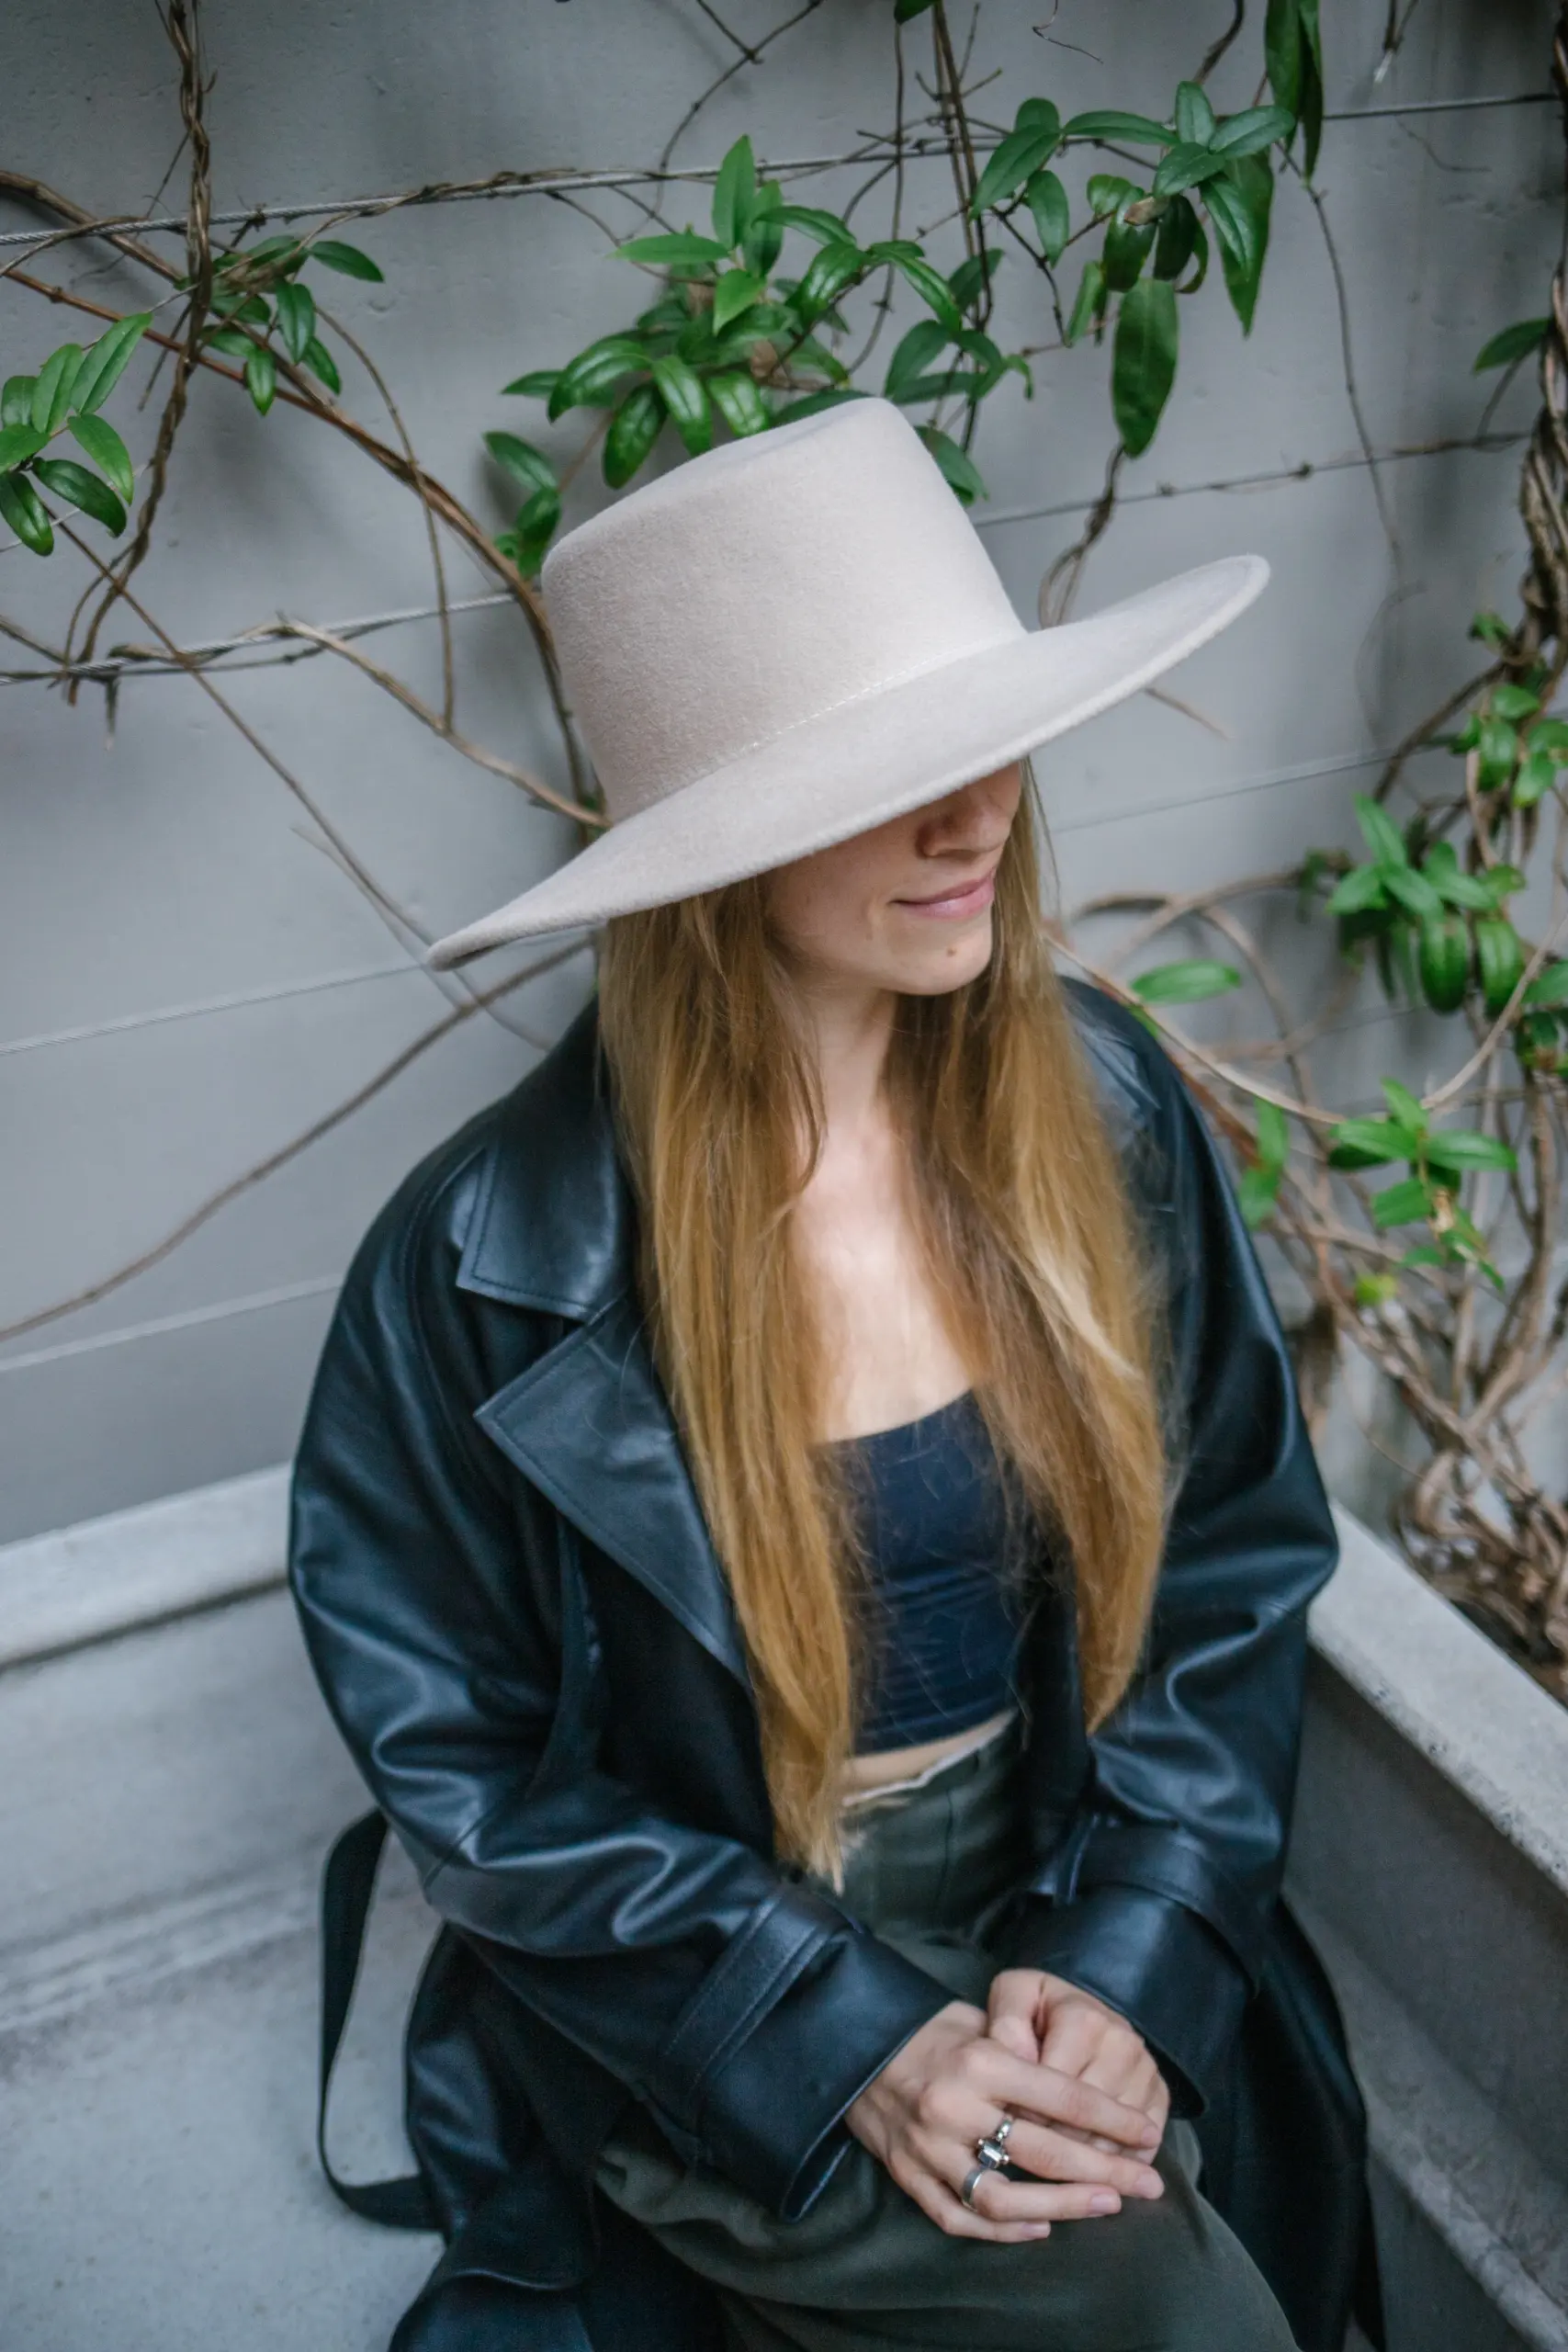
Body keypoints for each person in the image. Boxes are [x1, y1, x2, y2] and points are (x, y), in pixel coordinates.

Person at [289, 400, 1378, 2352]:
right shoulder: (481, 1269)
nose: (977, 816)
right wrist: (838, 2033)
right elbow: (471, 1772)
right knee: (1167, 2308)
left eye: (987, 741)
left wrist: (1127, 1957)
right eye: (889, 776)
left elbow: (1223, 1564)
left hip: (1062, 1884)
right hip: (714, 1976)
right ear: (721, 850)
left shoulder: (1106, 1111)